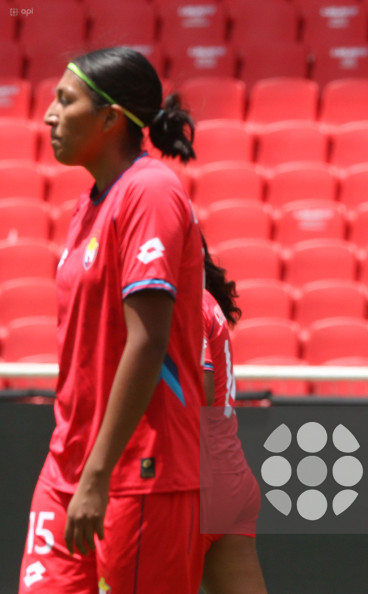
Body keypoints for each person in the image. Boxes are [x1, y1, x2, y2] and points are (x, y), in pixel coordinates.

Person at [19, 47, 205, 593]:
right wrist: (81, 471)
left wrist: (98, 477)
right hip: (68, 467)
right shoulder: (86, 207)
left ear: (109, 117)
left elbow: (147, 342)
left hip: (136, 472)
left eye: (64, 100)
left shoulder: (151, 191)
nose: (49, 114)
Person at [199, 240, 268, 594]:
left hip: (192, 482)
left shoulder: (184, 304)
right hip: (230, 474)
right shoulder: (207, 301)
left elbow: (201, 390)